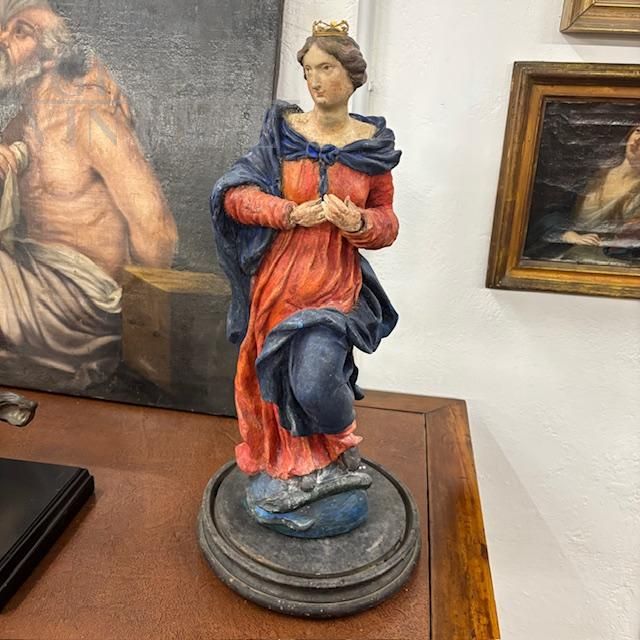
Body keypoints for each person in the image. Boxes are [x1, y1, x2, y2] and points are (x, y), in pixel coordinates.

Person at [211, 21, 400, 530]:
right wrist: (289, 213)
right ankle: (296, 468)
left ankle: (341, 445)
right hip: (278, 284)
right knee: (271, 382)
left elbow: (387, 222)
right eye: (309, 70)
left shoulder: (371, 148)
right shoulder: (283, 135)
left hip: (334, 285)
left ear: (352, 75)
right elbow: (233, 196)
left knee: (314, 379)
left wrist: (358, 223)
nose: (315, 80)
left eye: (327, 68)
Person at [0, 0, 177, 388]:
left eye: (20, 32)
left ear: (50, 56)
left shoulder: (91, 121)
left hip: (86, 300)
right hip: (31, 281)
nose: (2, 39)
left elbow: (156, 229)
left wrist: (141, 330)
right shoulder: (18, 126)